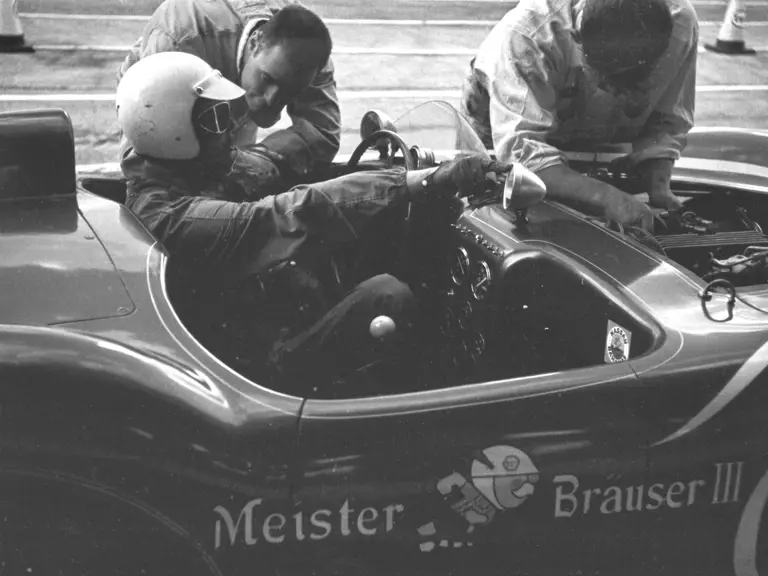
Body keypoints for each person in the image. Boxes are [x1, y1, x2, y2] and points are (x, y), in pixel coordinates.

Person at [116, 51, 507, 395]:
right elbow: (289, 212)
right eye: (215, 119)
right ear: (174, 130)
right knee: (387, 295)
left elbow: (272, 170)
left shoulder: (194, 171)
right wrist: (421, 181)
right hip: (259, 364)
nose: (230, 129)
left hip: (262, 317)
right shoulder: (169, 215)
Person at [461, 0, 699, 232]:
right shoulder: (528, 36)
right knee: (500, 224)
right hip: (501, 129)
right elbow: (522, 157)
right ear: (577, 38)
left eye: (636, 82)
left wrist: (659, 187)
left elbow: (667, 119)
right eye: (610, 81)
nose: (619, 95)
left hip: (587, 128)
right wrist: (608, 198)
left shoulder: (680, 23)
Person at [117, 0, 340, 196]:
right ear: (255, 43)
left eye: (291, 90)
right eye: (268, 79)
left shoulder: (310, 53)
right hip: (153, 95)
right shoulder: (181, 37)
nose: (273, 99)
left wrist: (259, 159)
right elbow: (145, 148)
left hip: (236, 77)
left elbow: (322, 132)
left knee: (236, 182)